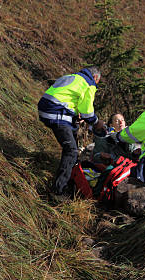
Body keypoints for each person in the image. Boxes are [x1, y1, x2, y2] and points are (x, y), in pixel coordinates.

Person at [38, 67, 105, 200]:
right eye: (98, 82)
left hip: (45, 108)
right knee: (71, 150)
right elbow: (87, 111)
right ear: (96, 78)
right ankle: (58, 191)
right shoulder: (89, 84)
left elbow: (67, 99)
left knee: (73, 133)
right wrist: (97, 122)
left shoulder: (72, 77)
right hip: (55, 113)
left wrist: (76, 114)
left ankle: (71, 174)